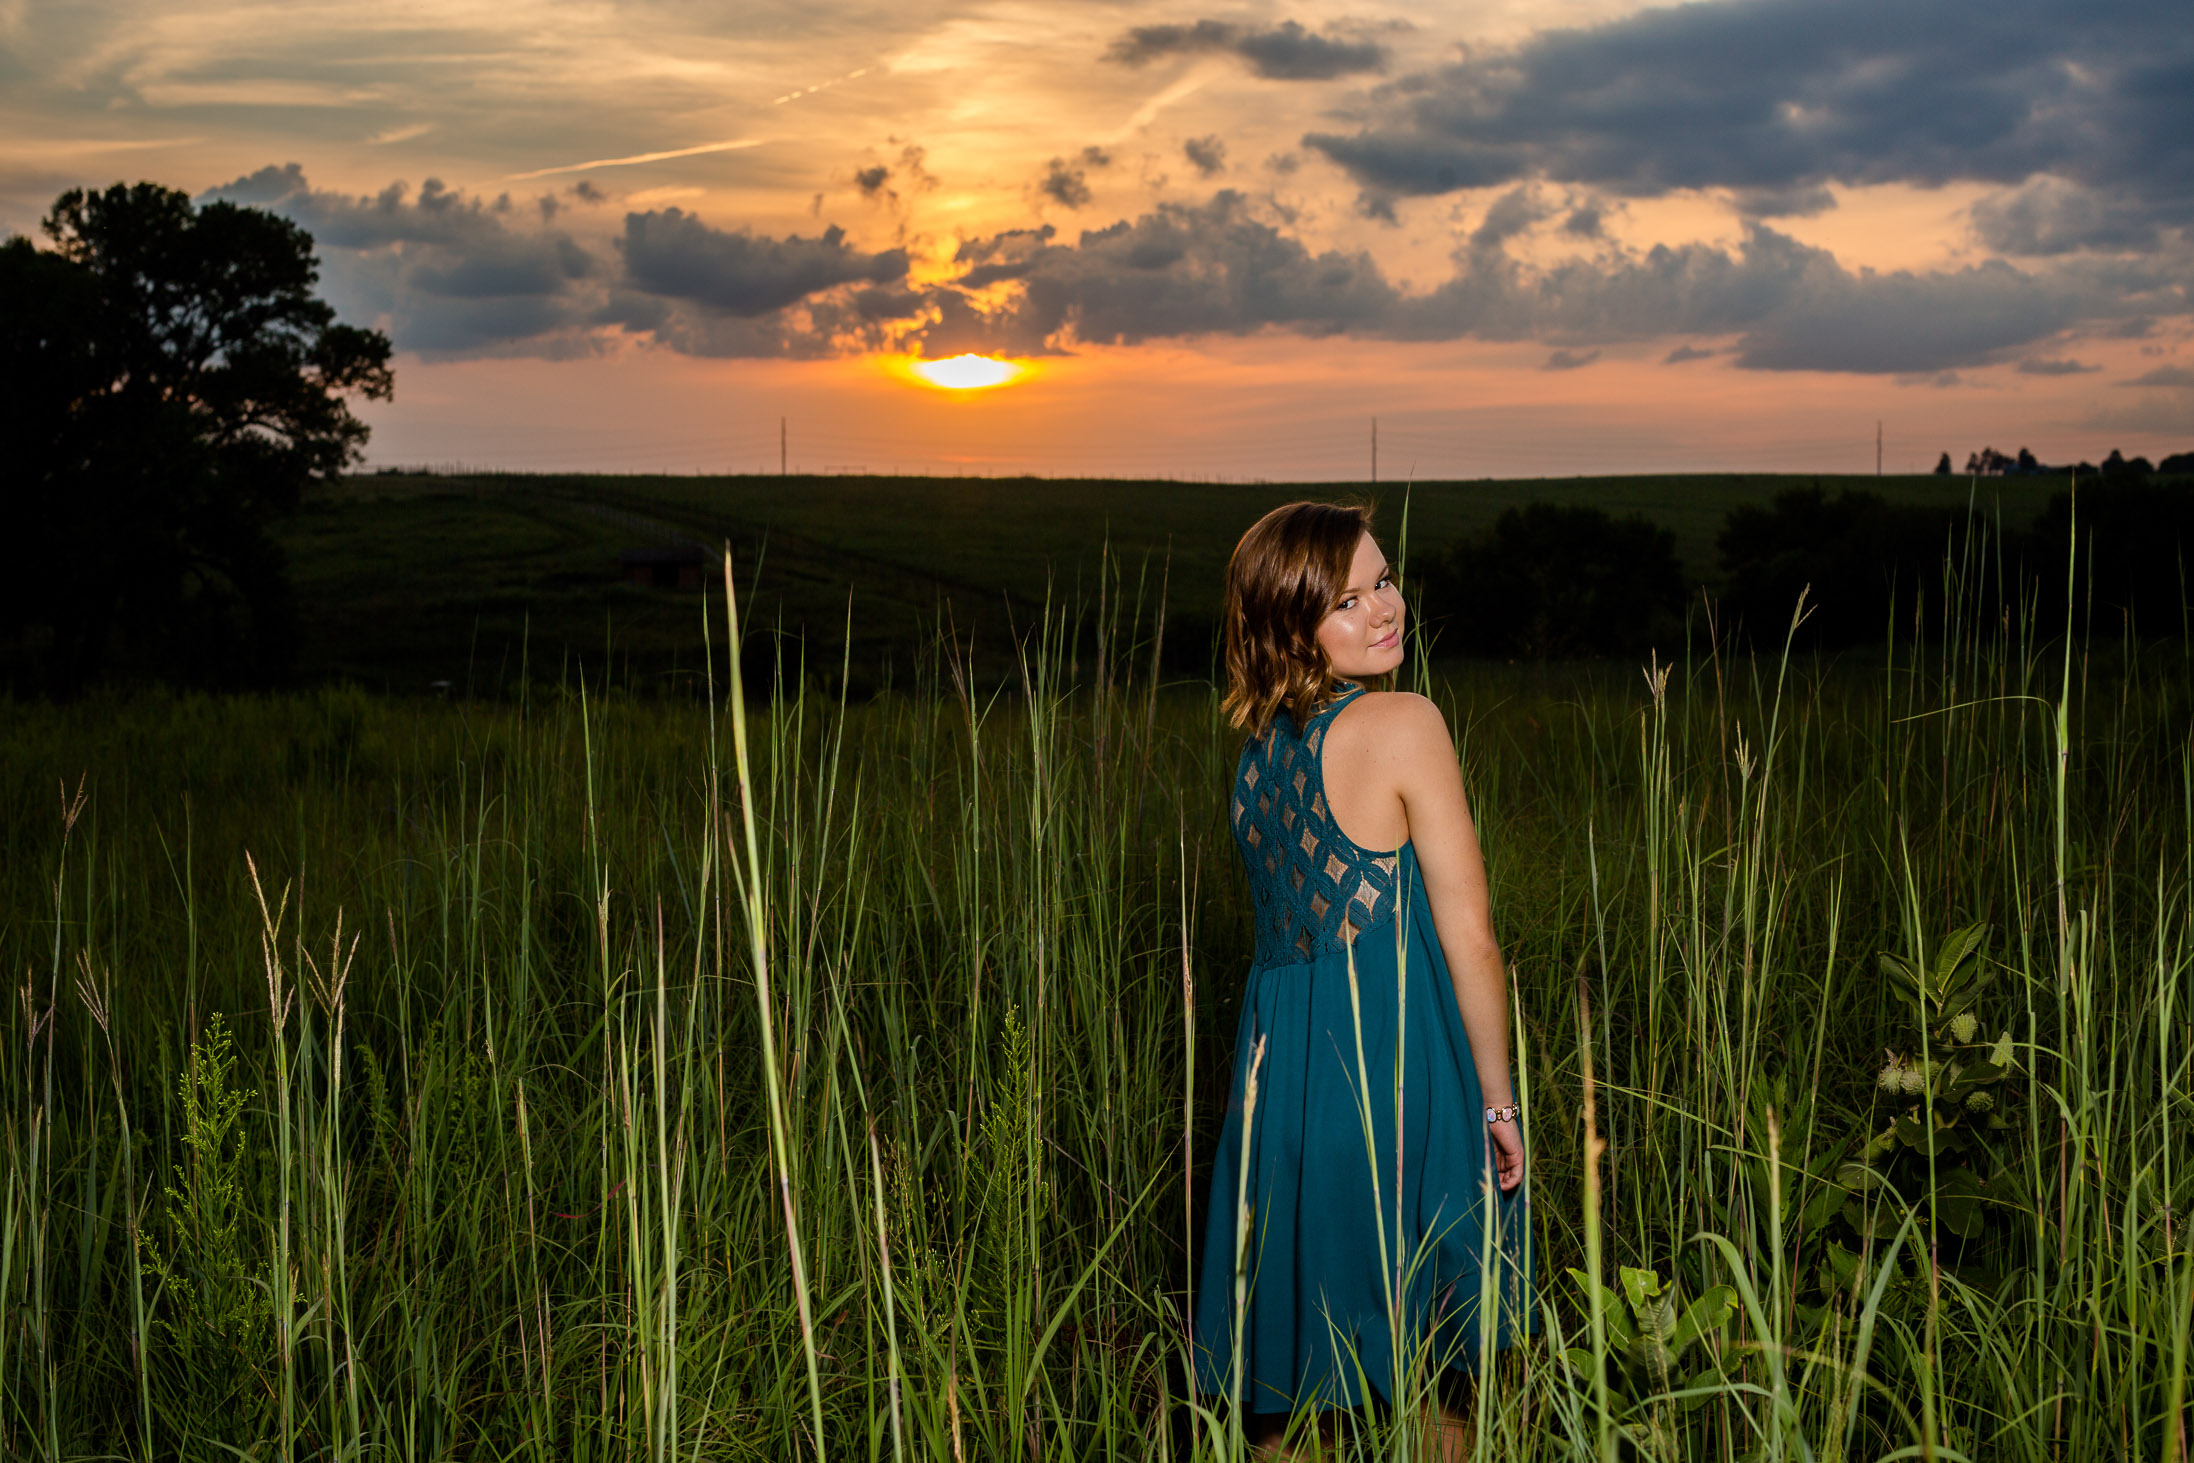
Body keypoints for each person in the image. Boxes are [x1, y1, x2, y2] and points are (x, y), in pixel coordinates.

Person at [1193, 501, 1533, 1449]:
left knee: (1289, 1364)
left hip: (1280, 1091)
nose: (1384, 608)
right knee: (1430, 1357)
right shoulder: (1405, 720)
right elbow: (1471, 935)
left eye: (1383, 579)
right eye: (1347, 600)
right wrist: (1498, 1103)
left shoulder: (1255, 760)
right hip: (1393, 1068)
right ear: (1291, 626)